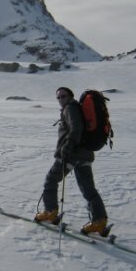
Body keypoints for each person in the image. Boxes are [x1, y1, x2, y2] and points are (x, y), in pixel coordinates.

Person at [34, 87, 108, 235]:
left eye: (63, 96)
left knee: (51, 179)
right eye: (58, 98)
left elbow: (76, 129)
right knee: (88, 189)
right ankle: (99, 221)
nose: (61, 100)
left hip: (71, 154)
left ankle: (50, 212)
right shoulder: (77, 109)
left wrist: (67, 147)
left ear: (70, 96)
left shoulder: (70, 109)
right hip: (85, 155)